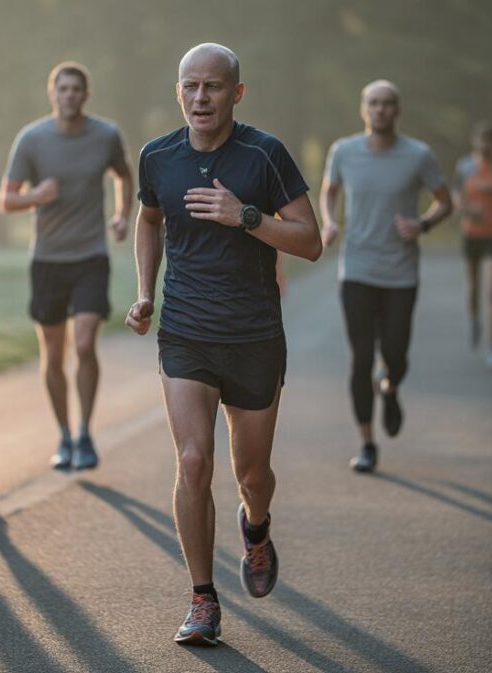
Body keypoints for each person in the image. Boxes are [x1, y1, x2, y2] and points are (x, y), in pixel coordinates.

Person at [127, 43, 322, 646]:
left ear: (236, 94)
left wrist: (246, 217)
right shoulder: (158, 156)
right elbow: (149, 219)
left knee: (252, 473)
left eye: (212, 87)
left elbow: (310, 242)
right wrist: (145, 293)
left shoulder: (265, 155)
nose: (200, 98)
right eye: (190, 86)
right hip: (186, 330)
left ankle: (256, 528)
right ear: (177, 92)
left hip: (254, 335)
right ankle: (203, 599)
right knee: (192, 462)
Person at [0, 61, 132, 471]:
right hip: (48, 260)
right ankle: (63, 434)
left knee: (86, 343)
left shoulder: (105, 135)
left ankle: (86, 433)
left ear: (85, 95)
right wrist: (36, 196)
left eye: (77, 89)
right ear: (52, 93)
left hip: (91, 255)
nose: (70, 95)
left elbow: (124, 176)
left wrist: (124, 214)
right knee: (53, 354)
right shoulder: (32, 139)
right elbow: (6, 199)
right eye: (63, 89)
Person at [320, 80, 453, 474]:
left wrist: (423, 225)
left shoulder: (417, 155)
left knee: (395, 353)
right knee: (361, 357)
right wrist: (330, 222)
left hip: (400, 272)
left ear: (398, 110)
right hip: (357, 269)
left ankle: (390, 386)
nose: (380, 110)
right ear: (364, 109)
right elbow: (329, 191)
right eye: (373, 103)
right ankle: (366, 443)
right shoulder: (343, 151)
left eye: (387, 104)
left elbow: (446, 201)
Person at [453, 121, 492, 369]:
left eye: (489, 139)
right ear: (474, 141)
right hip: (471, 234)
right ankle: (474, 320)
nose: (485, 143)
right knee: (473, 288)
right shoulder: (465, 166)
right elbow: (456, 198)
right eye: (481, 139)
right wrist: (469, 210)